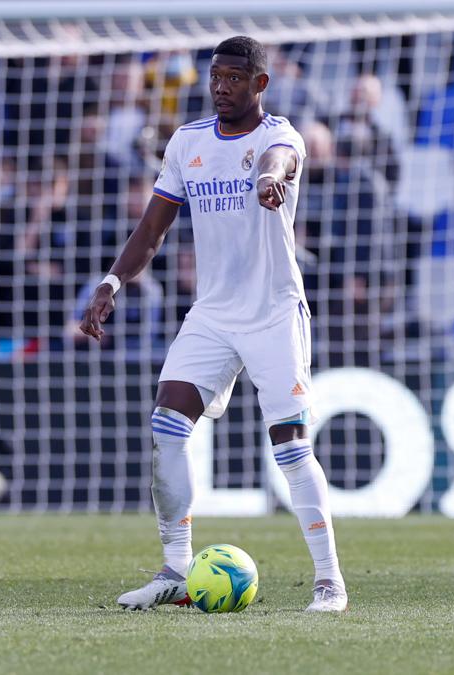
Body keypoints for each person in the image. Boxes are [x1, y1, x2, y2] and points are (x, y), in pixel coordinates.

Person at [78, 36, 347, 613]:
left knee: (291, 447)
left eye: (234, 78)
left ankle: (329, 581)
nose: (221, 87)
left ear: (260, 84)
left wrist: (271, 179)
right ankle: (175, 569)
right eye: (216, 77)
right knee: (167, 423)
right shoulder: (189, 142)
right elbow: (152, 229)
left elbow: (282, 162)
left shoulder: (280, 136)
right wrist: (111, 284)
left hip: (274, 311)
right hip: (213, 312)